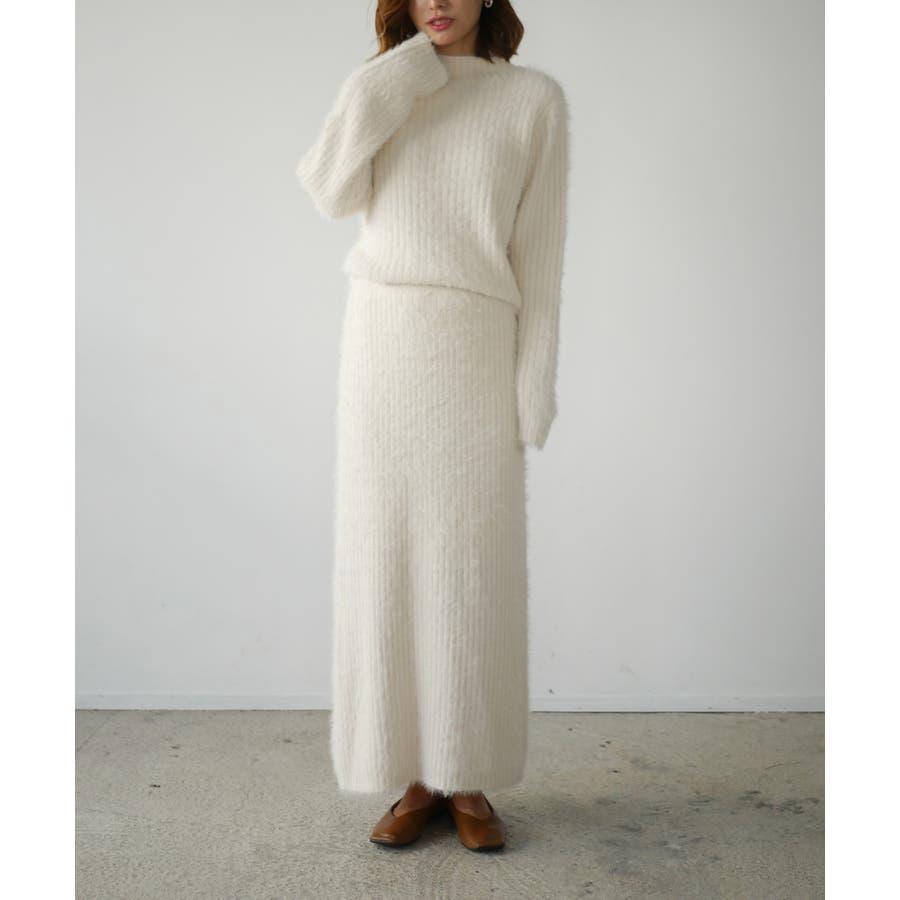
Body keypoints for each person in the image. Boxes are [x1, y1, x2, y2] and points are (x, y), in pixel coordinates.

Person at [296, 0, 569, 851]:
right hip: (384, 346)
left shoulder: (532, 100)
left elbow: (540, 255)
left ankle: (468, 773)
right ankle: (412, 775)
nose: (438, 2)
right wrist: (395, 76)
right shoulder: (386, 86)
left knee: (472, 567)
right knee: (386, 561)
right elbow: (328, 189)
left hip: (475, 347)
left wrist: (534, 385)